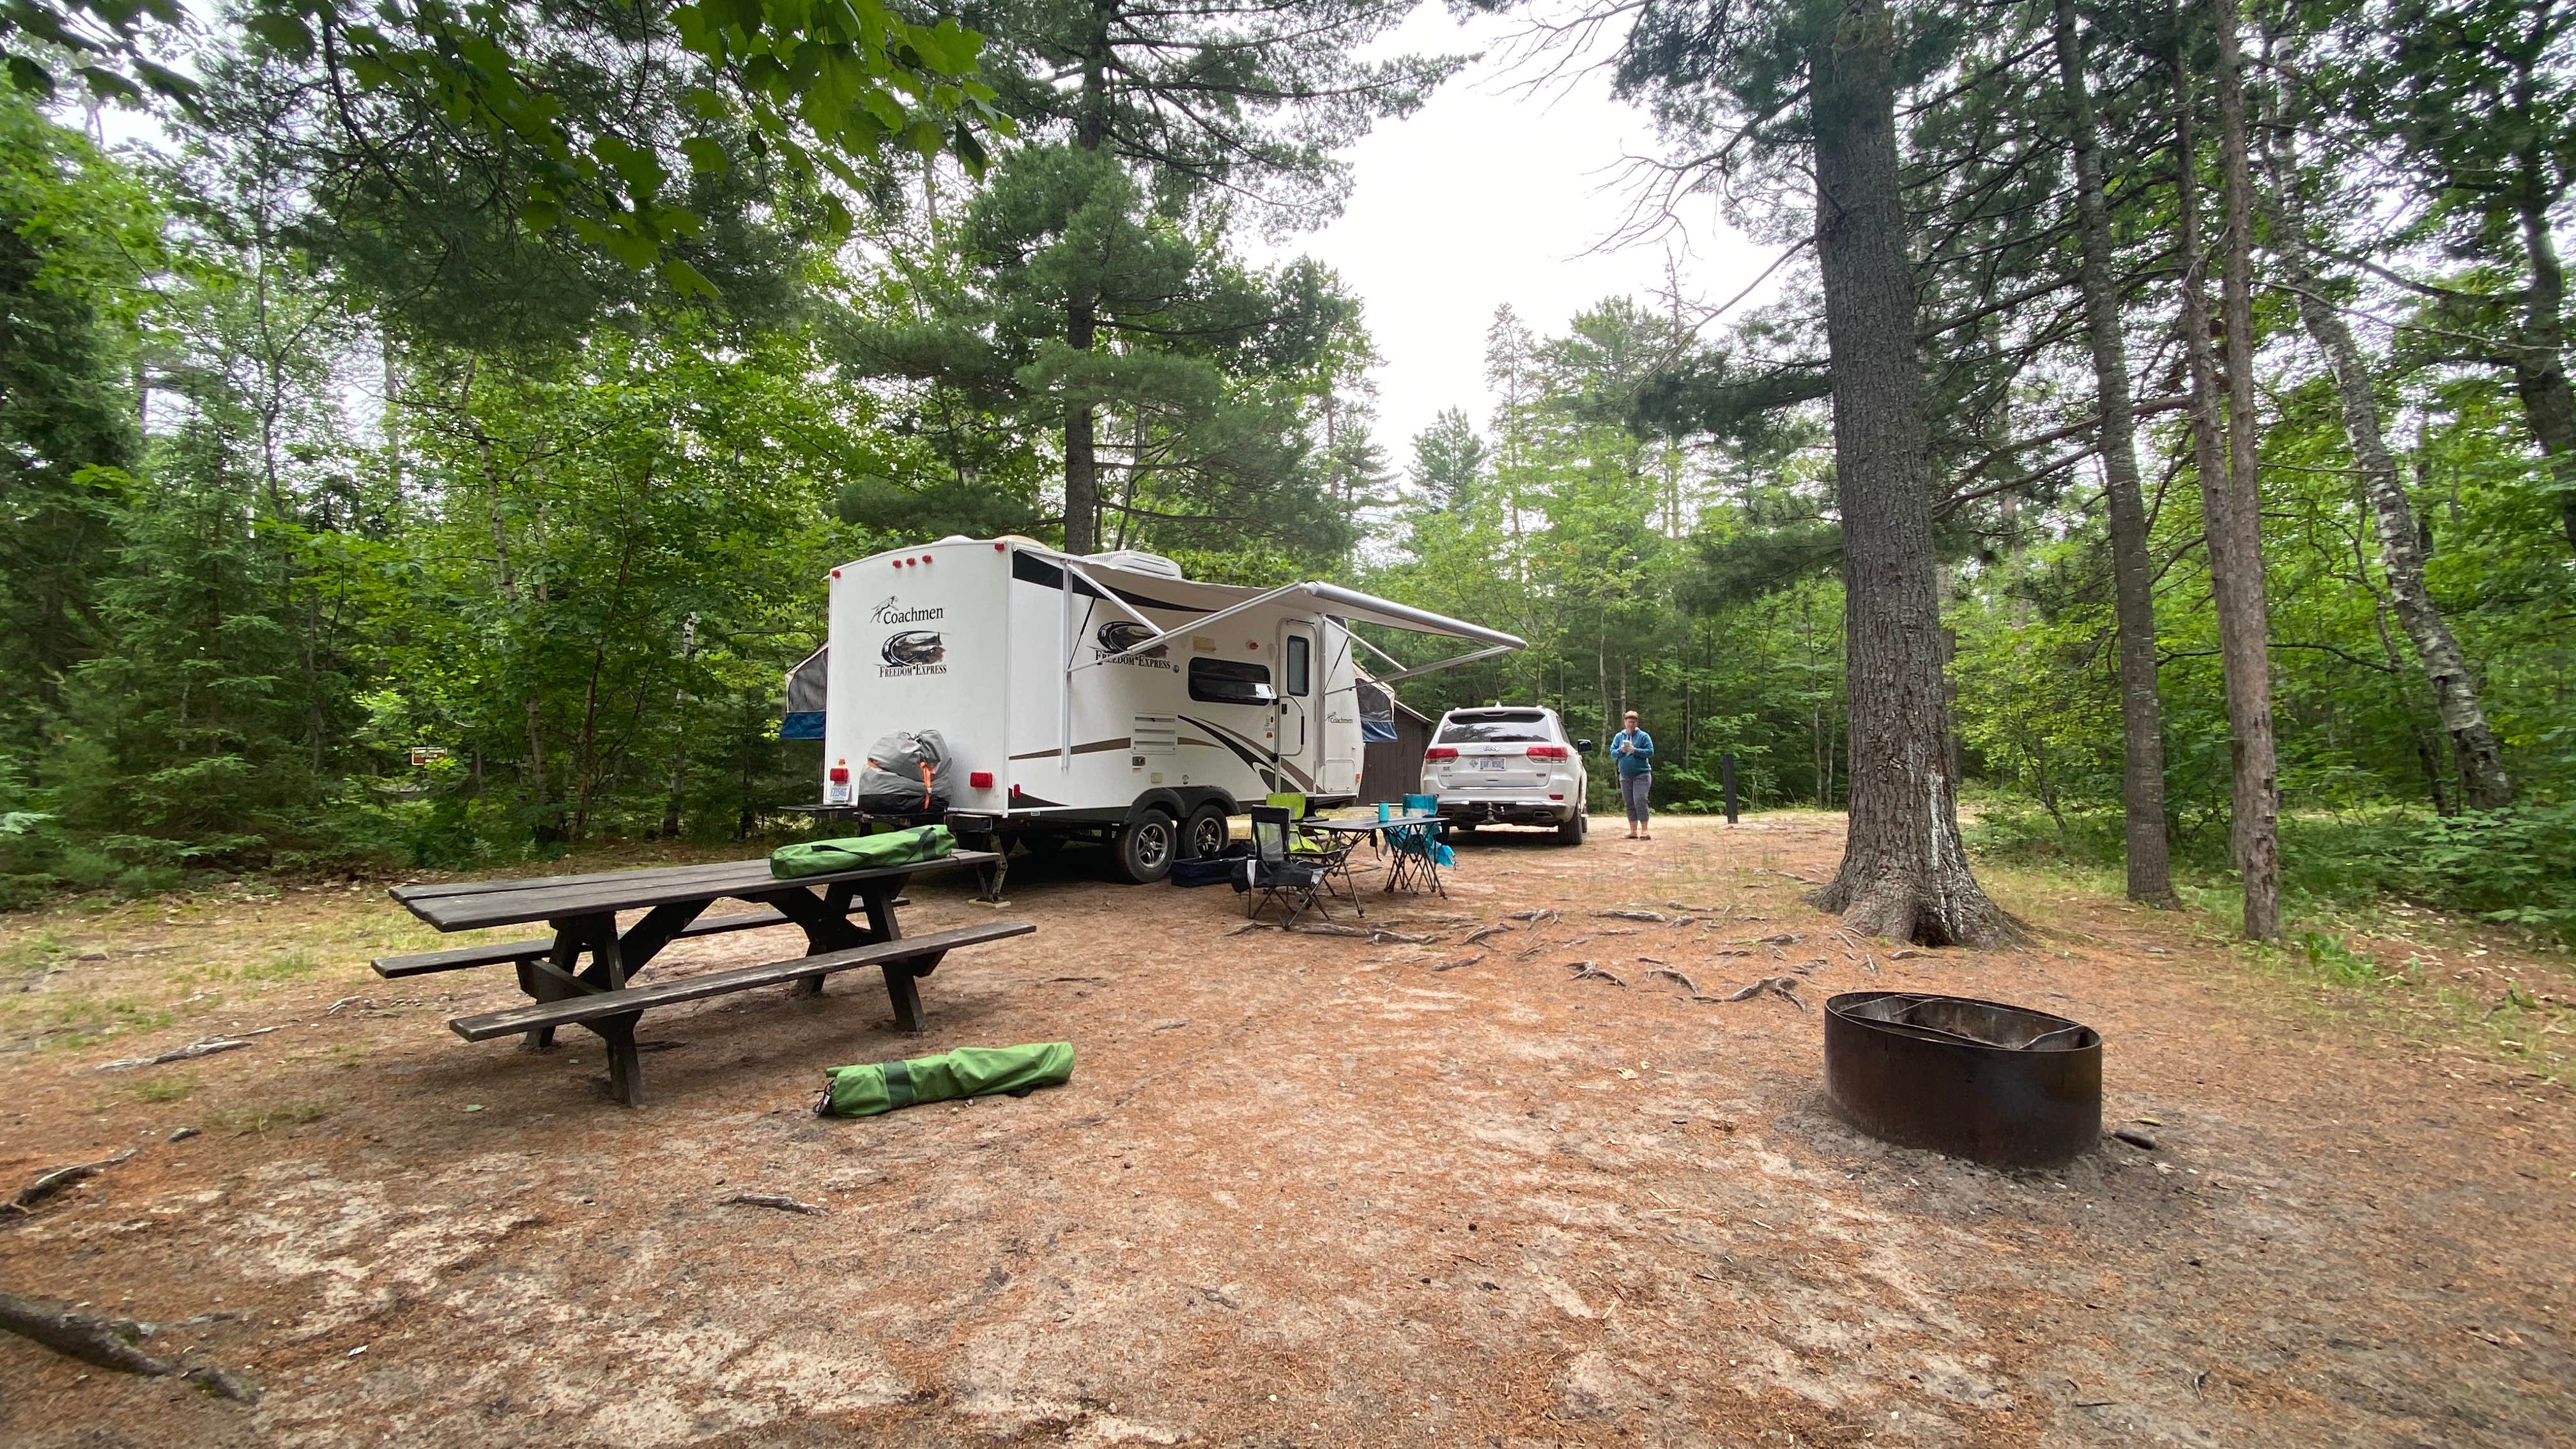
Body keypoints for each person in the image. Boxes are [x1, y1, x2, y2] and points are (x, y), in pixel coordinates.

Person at [1611, 710, 1654, 840]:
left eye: (1633, 722)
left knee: (1640, 800)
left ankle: (1645, 830)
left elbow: (1650, 752)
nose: (1631, 724)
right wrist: (1621, 750)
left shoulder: (1643, 736)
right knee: (1629, 802)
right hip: (1625, 775)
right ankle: (1633, 830)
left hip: (1642, 774)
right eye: (1629, 722)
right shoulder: (1619, 737)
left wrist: (1635, 750)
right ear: (1625, 723)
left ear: (1637, 723)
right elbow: (1613, 753)